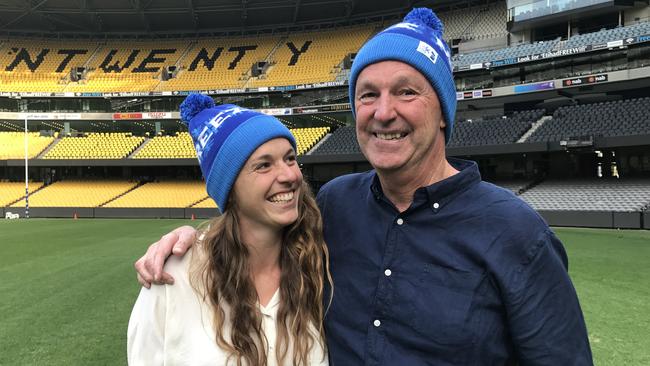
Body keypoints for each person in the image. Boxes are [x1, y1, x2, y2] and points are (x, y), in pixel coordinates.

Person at [135, 8, 593, 365]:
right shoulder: (335, 204)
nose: (383, 111)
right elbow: (252, 227)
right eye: (368, 94)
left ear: (443, 113)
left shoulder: (517, 233)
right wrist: (190, 242)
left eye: (407, 92)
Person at [128, 95, 331, 366]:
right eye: (264, 165)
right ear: (229, 187)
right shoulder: (171, 278)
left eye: (290, 159)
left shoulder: (318, 270)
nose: (290, 176)